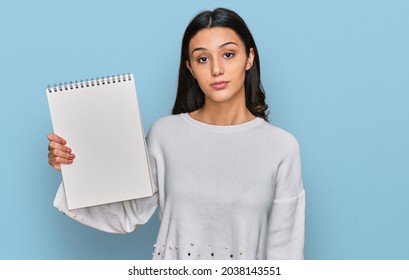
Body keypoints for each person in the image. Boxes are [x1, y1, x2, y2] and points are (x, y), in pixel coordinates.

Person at [47, 7, 305, 260]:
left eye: (228, 54)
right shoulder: (165, 135)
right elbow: (127, 214)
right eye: (203, 58)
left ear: (249, 58)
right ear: (190, 68)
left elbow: (286, 252)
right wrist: (73, 168)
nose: (216, 69)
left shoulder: (281, 147)